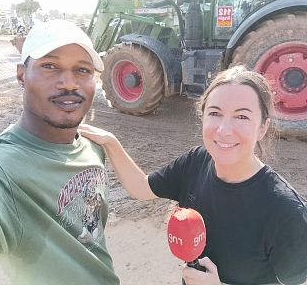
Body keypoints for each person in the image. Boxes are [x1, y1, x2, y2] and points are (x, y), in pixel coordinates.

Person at [79, 65, 307, 285]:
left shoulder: (286, 212)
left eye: (242, 117)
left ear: (263, 128)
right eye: (215, 113)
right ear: (203, 117)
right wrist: (111, 142)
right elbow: (141, 187)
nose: (224, 129)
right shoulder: (197, 161)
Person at [0, 20, 119, 285]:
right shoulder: (0, 170)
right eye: (50, 66)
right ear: (22, 74)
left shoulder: (92, 148)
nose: (69, 83)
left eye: (82, 70)